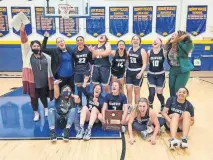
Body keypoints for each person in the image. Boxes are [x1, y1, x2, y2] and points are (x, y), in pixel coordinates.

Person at [20, 24, 54, 121]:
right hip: (32, 83)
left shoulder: (45, 56)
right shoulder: (27, 54)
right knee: (33, 98)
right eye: (34, 46)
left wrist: (45, 38)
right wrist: (23, 32)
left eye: (37, 46)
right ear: (31, 47)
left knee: (43, 96)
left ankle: (46, 109)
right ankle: (36, 113)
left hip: (43, 82)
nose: (36, 47)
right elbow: (24, 42)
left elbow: (44, 47)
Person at [164, 31, 194, 96]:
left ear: (179, 37)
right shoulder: (169, 46)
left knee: (178, 89)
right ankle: (173, 104)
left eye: (175, 35)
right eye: (172, 34)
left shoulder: (182, 45)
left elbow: (189, 44)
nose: (172, 35)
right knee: (171, 88)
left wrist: (186, 37)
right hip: (172, 70)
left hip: (182, 71)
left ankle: (179, 104)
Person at [76, 76, 104, 140]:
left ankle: (89, 130)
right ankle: (81, 129)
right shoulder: (90, 95)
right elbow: (82, 90)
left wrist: (97, 103)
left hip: (96, 119)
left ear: (100, 91)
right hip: (88, 117)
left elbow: (102, 106)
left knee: (94, 108)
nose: (97, 89)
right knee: (84, 107)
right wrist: (85, 81)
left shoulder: (102, 98)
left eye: (99, 89)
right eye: (96, 88)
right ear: (93, 89)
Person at [126, 35, 147, 110]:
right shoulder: (129, 49)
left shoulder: (142, 50)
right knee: (128, 89)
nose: (135, 40)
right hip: (129, 71)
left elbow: (145, 64)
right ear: (131, 41)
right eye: (134, 39)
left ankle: (137, 107)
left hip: (137, 72)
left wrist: (141, 73)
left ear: (139, 41)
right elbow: (125, 59)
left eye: (137, 39)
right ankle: (129, 106)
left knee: (136, 91)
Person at [72, 36, 93, 105]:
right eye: (78, 40)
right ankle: (80, 104)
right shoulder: (74, 51)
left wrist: (93, 52)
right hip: (77, 72)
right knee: (79, 90)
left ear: (84, 42)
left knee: (86, 89)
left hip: (86, 71)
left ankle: (88, 104)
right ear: (76, 42)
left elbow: (91, 62)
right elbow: (73, 62)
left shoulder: (88, 50)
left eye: (81, 40)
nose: (79, 41)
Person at [147, 38, 166, 111]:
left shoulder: (163, 51)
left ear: (161, 43)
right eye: (153, 40)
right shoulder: (149, 52)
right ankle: (150, 106)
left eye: (157, 40)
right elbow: (147, 62)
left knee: (159, 94)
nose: (154, 41)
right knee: (151, 93)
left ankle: (162, 104)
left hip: (160, 75)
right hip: (151, 75)